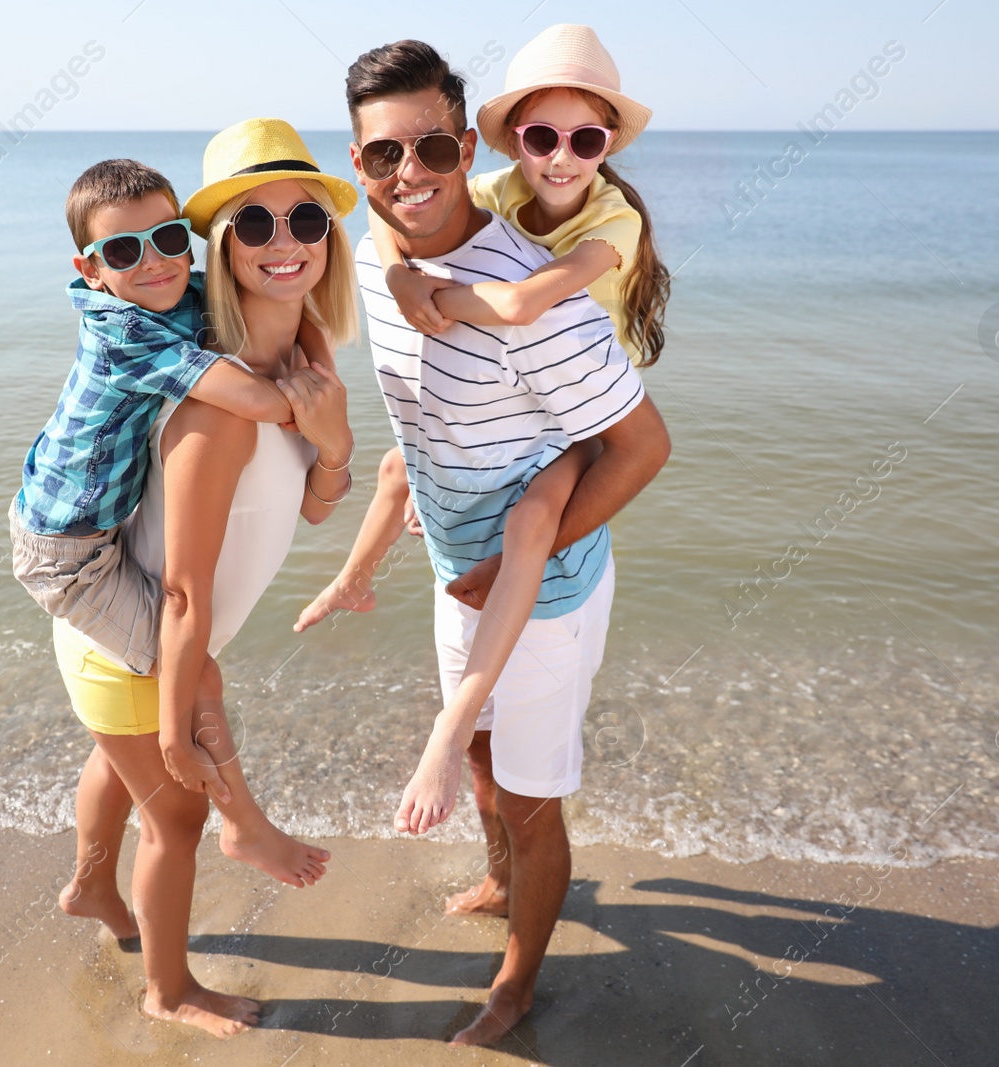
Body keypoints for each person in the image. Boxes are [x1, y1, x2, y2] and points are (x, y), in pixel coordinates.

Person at [337, 40, 671, 1047]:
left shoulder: (547, 302)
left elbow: (642, 448)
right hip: (457, 571)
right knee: (481, 761)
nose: (408, 175)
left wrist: (510, 557)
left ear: (461, 140)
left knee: (532, 804)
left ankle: (518, 984)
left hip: (544, 590)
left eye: (430, 148)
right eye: (380, 156)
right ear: (354, 162)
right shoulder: (370, 250)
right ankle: (495, 876)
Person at [47, 119, 359, 1037]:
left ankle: (90, 886)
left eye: (307, 219)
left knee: (117, 759)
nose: (286, 242)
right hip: (136, 636)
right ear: (223, 246)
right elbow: (180, 593)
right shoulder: (211, 404)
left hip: (159, 629)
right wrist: (185, 723)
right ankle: (168, 987)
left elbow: (311, 504)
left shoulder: (305, 353)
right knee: (177, 817)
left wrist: (335, 440)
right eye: (254, 225)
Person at [10, 158, 333, 894]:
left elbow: (288, 307)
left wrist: (313, 352)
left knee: (111, 765)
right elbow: (249, 401)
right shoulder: (129, 328)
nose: (153, 263)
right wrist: (319, 411)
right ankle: (245, 826)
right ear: (90, 269)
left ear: (191, 242)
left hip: (89, 527)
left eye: (167, 239)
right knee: (194, 669)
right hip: (68, 556)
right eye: (124, 252)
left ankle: (90, 886)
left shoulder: (176, 291)